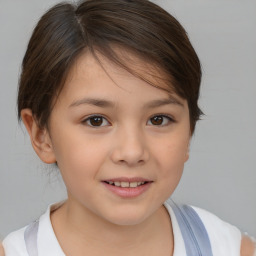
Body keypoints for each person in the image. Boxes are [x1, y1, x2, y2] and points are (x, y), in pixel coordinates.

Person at [2, 0, 255, 255]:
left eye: (158, 119)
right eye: (96, 120)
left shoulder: (231, 249)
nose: (132, 152)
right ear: (41, 135)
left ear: (189, 131)